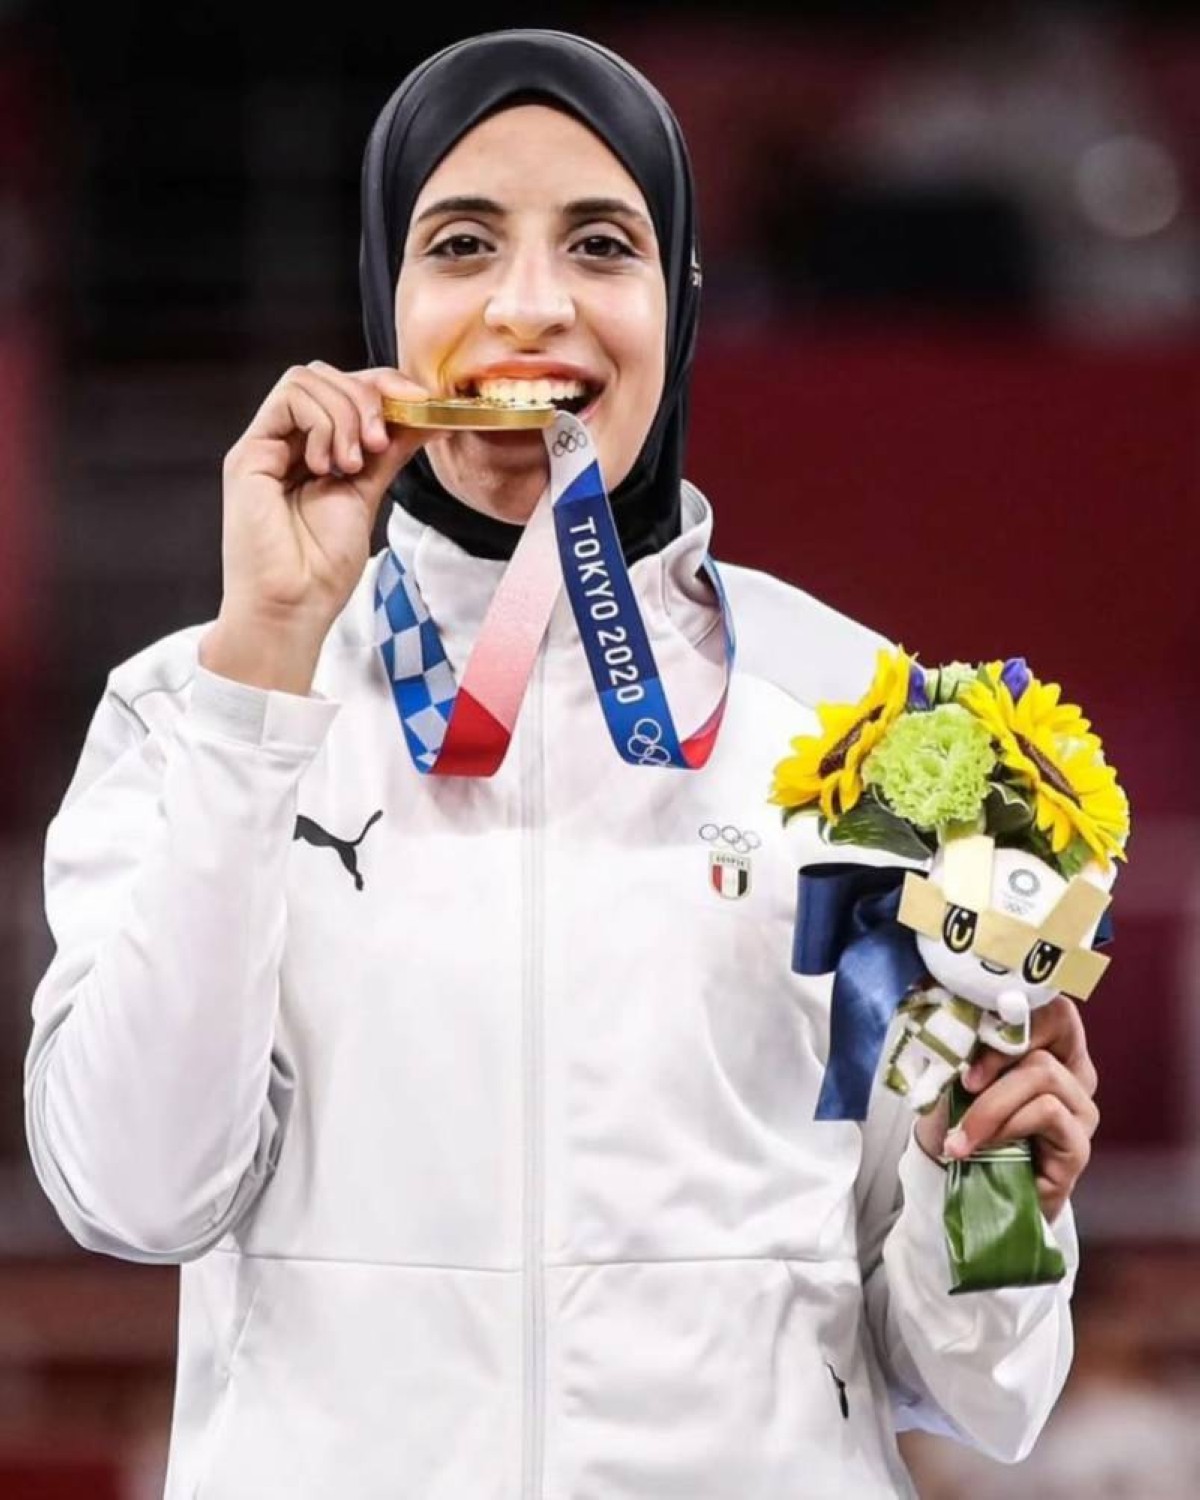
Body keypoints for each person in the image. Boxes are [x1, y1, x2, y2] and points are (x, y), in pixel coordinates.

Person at [23, 29, 1100, 1500]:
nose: (531, 306)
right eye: (462, 244)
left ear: (680, 302)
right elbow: (134, 1195)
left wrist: (991, 1195)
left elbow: (984, 1394)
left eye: (601, 244)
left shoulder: (880, 734)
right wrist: (262, 661)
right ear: (384, 302)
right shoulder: (196, 712)